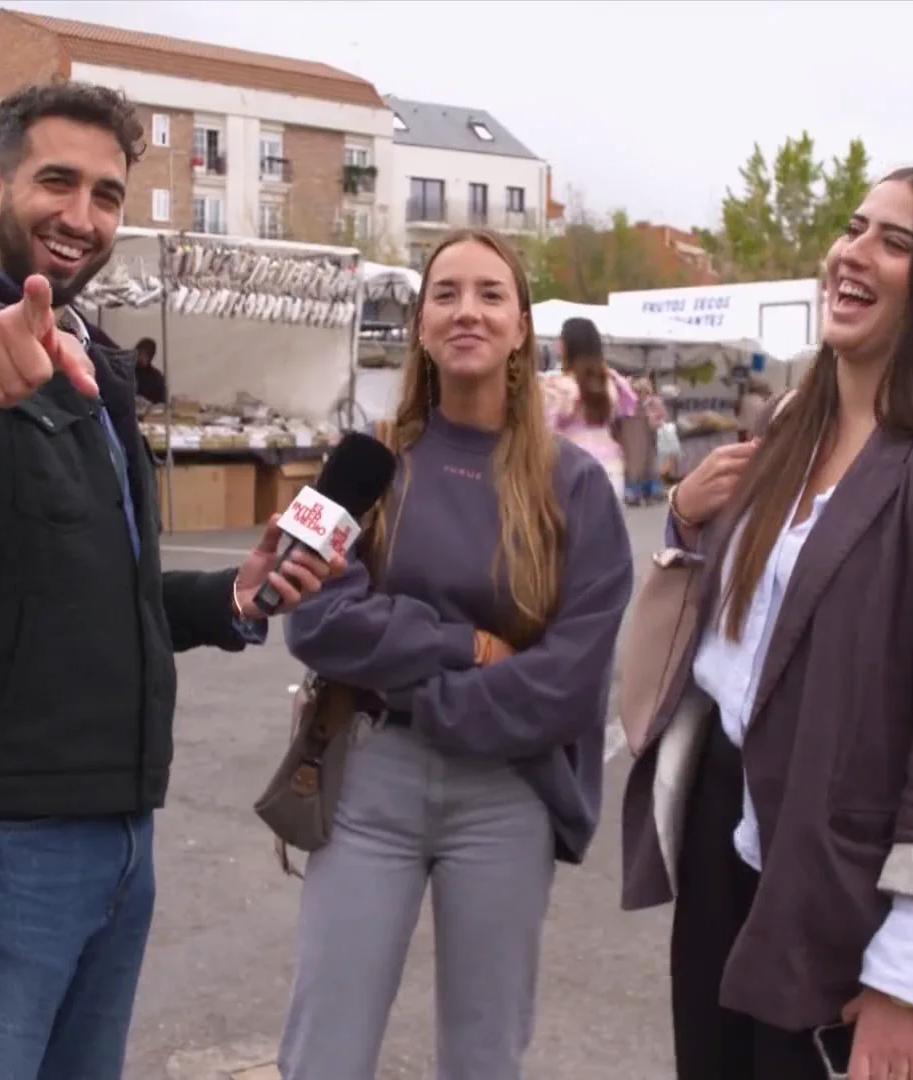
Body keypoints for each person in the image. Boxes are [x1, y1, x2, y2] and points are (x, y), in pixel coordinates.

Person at [0, 81, 341, 1080]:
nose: (82, 217)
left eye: (106, 194)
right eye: (56, 182)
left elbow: (96, 585)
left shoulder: (97, 369)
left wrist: (229, 599)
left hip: (116, 837)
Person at [619, 166, 913, 1080]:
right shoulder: (790, 429)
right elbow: (743, 641)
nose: (853, 253)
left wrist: (911, 971)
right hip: (726, 848)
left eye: (894, 243)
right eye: (854, 228)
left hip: (850, 898)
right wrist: (687, 527)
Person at [277, 228, 634, 1078]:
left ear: (521, 329)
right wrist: (465, 647)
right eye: (446, 294)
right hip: (370, 781)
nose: (466, 310)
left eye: (489, 294)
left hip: (508, 794)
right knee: (325, 1045)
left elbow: (574, 676)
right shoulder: (363, 464)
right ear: (422, 326)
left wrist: (427, 698)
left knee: (484, 1053)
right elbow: (313, 617)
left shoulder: (575, 487)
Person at [541, 316, 636, 500]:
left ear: (568, 345)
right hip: (611, 467)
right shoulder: (611, 383)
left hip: (571, 468)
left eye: (561, 338)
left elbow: (543, 428)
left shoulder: (560, 387)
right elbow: (623, 413)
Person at [132, 336, 166, 405]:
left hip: (150, 413)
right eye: (139, 353)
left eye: (144, 355)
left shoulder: (156, 377)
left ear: (150, 357)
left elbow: (162, 403)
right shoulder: (126, 372)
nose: (140, 357)